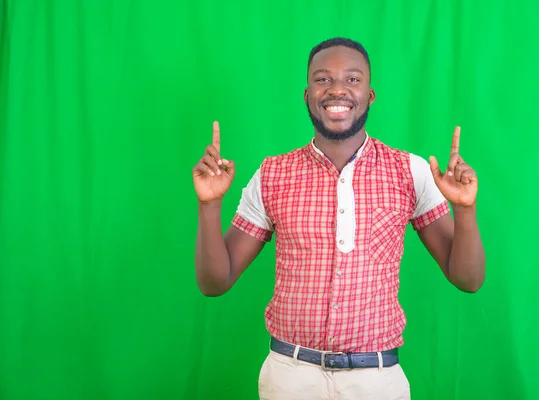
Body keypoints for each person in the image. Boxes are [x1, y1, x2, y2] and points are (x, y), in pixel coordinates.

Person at [192, 37, 485, 400]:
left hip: (377, 380)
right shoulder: (272, 174)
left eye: (352, 79)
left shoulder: (411, 172)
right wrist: (209, 205)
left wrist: (466, 209)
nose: (337, 90)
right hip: (289, 377)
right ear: (306, 95)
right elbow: (215, 282)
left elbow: (468, 279)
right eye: (323, 79)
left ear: (370, 95)